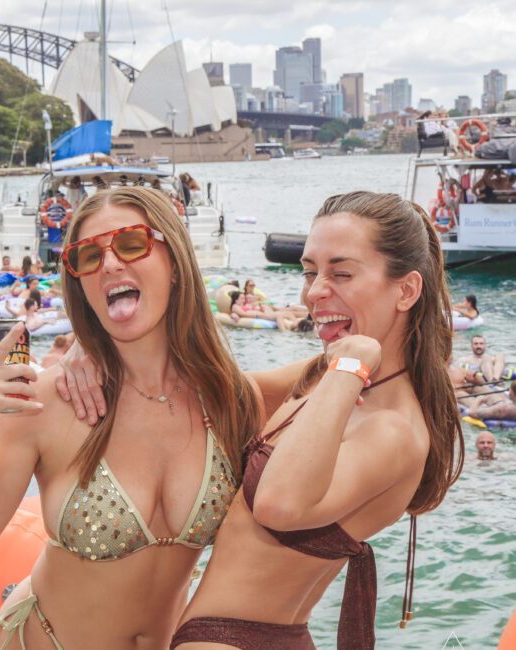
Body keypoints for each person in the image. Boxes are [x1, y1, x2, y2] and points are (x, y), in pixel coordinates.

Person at [0, 186, 314, 648]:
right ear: (79, 281)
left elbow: (322, 376)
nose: (109, 264)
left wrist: (353, 361)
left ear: (175, 259)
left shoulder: (230, 399)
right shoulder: (45, 403)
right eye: (87, 256)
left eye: (131, 243)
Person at [170, 191, 463, 649]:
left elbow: (279, 504)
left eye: (341, 273)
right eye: (310, 272)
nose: (314, 291)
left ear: (406, 290)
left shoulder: (395, 429)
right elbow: (204, 397)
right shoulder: (320, 376)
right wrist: (92, 363)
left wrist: (352, 366)